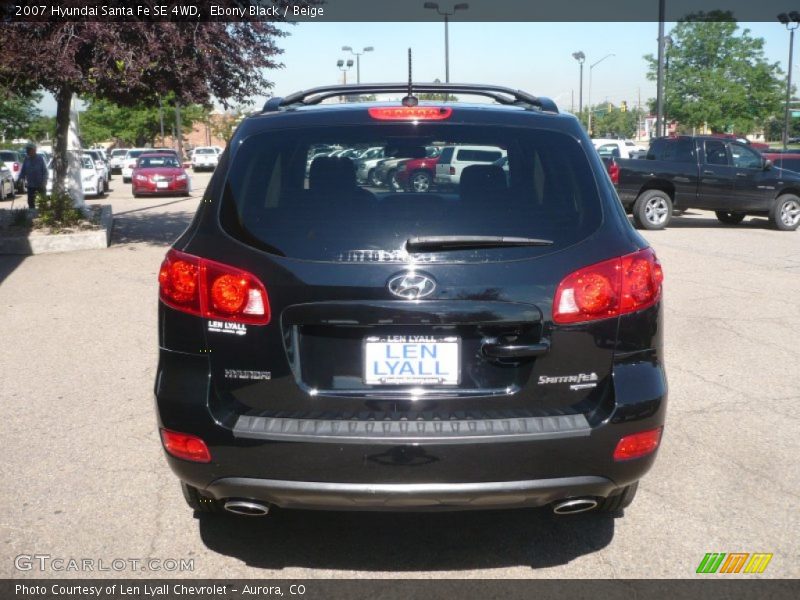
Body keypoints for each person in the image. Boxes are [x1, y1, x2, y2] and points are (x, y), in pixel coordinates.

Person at [18, 143, 48, 209]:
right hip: (31, 185)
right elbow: (23, 171)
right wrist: (20, 178)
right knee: (30, 201)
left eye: (29, 149)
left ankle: (43, 215)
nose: (27, 151)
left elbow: (45, 172)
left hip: (40, 184)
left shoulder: (40, 159)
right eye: (27, 150)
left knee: (43, 201)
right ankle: (32, 215)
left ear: (34, 150)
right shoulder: (26, 159)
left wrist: (44, 181)